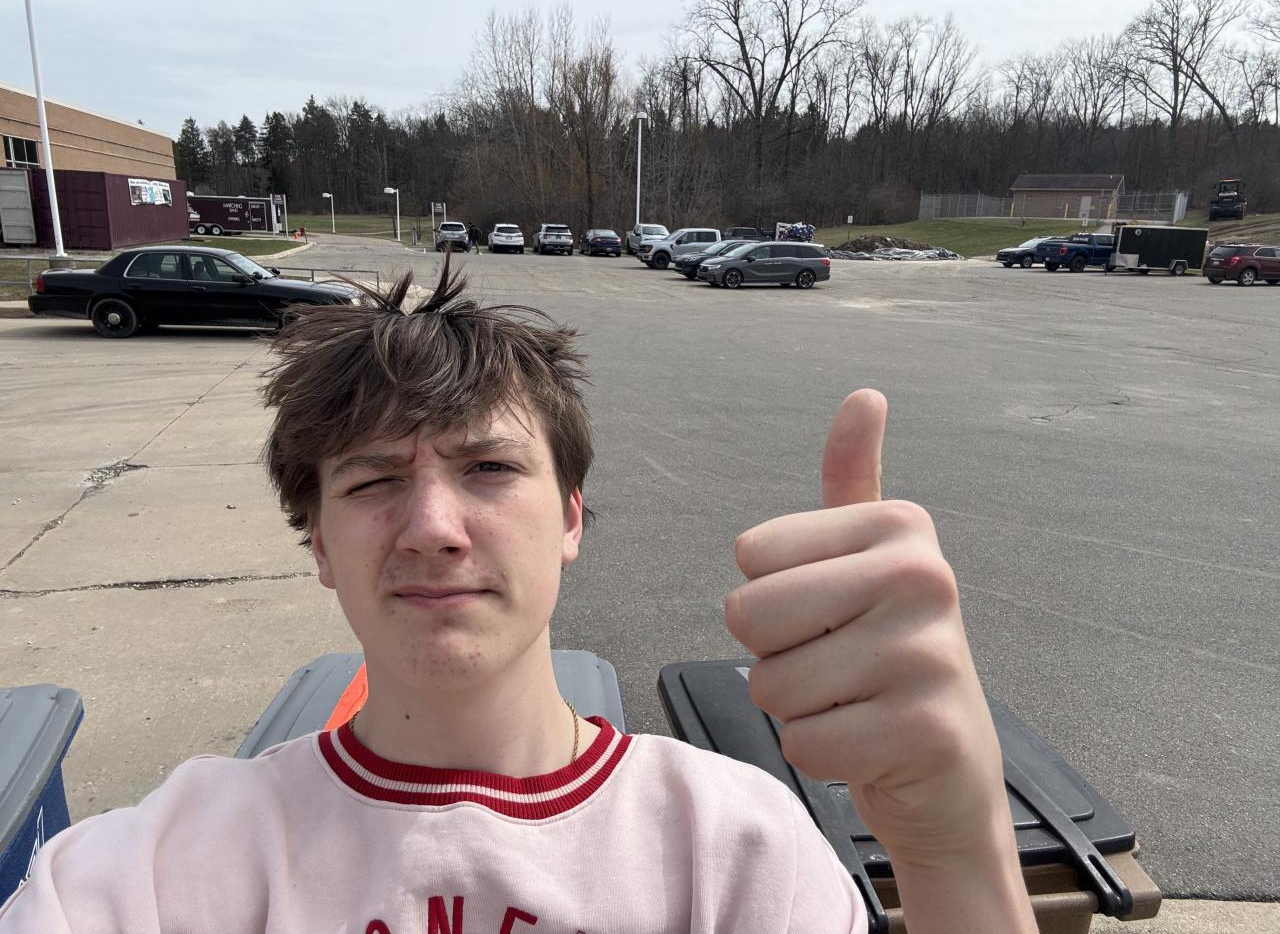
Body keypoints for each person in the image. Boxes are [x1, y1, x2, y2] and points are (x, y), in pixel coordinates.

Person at [0, 257, 1037, 933]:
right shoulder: (156, 876)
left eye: (489, 468)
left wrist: (953, 848)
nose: (433, 526)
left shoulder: (734, 855)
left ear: (571, 519)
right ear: (317, 542)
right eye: (371, 481)